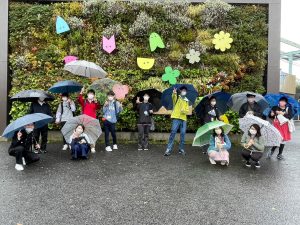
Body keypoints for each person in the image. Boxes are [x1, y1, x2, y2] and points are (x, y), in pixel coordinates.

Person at [164, 86, 189, 156]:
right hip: (176, 117)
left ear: (186, 92)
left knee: (183, 133)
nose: (184, 91)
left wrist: (184, 111)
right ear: (180, 91)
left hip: (183, 119)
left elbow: (187, 110)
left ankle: (181, 149)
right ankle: (168, 149)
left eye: (185, 90)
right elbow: (173, 98)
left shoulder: (187, 100)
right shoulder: (177, 97)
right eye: (183, 90)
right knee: (173, 132)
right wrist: (174, 93)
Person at [78, 87, 100, 153]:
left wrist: (96, 102)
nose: (91, 95)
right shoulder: (84, 101)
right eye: (89, 93)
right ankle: (85, 146)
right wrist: (81, 92)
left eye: (92, 94)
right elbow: (79, 100)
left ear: (94, 95)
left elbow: (98, 107)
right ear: (87, 94)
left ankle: (92, 147)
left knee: (93, 134)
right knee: (85, 134)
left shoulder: (95, 102)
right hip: (85, 121)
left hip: (93, 121)